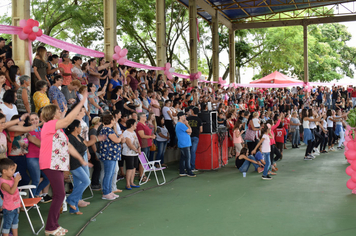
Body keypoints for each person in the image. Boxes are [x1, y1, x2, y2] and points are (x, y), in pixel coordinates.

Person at [39, 90, 88, 236]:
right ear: (53, 114)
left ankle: (54, 225)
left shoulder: (59, 130)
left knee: (59, 195)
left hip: (57, 165)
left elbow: (69, 146)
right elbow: (67, 121)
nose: (61, 112)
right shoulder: (49, 125)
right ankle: (50, 227)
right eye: (59, 110)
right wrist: (80, 103)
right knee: (60, 195)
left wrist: (80, 159)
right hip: (50, 164)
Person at [65, 119, 104, 214]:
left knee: (78, 185)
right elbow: (69, 152)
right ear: (75, 128)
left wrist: (98, 139)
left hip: (81, 163)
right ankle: (71, 199)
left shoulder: (78, 136)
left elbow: (86, 144)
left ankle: (73, 209)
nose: (81, 128)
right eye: (80, 126)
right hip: (74, 165)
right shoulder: (70, 138)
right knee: (87, 181)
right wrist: (67, 167)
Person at [26, 113, 51, 201]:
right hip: (32, 158)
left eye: (36, 119)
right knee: (36, 180)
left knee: (49, 177)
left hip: (42, 158)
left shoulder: (41, 130)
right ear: (29, 121)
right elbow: (35, 141)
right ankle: (31, 200)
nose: (34, 121)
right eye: (32, 120)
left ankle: (36, 194)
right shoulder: (28, 131)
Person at [99, 114, 123, 200]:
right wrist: (120, 137)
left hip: (111, 155)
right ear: (110, 120)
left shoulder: (106, 129)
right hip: (109, 155)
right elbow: (116, 140)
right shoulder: (107, 130)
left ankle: (109, 191)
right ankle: (106, 192)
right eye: (113, 119)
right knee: (108, 174)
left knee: (111, 174)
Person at [0, 158, 21, 236]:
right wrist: (16, 181)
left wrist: (14, 167)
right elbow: (11, 192)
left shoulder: (10, 176)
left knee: (15, 223)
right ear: (4, 171)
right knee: (7, 225)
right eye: (12, 170)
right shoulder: (3, 183)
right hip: (9, 208)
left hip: (15, 206)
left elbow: (13, 166)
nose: (14, 171)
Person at [122, 119, 141, 189]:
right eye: (135, 124)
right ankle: (127, 184)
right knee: (129, 168)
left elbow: (137, 141)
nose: (136, 125)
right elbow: (129, 144)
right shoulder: (126, 133)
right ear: (132, 125)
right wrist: (136, 150)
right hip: (128, 153)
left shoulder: (134, 132)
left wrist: (139, 147)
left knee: (134, 168)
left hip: (134, 153)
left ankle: (132, 182)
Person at [175, 112, 196, 177]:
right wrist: (187, 124)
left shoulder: (179, 124)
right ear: (180, 117)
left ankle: (182, 171)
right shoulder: (181, 124)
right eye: (183, 116)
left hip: (184, 143)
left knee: (183, 157)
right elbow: (190, 131)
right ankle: (189, 171)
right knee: (187, 158)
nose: (185, 117)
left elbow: (189, 132)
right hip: (184, 143)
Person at [186, 107, 202, 172]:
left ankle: (186, 166)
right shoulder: (199, 119)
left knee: (187, 152)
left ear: (192, 112)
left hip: (188, 136)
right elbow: (201, 130)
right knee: (193, 152)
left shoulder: (188, 118)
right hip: (195, 136)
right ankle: (192, 167)